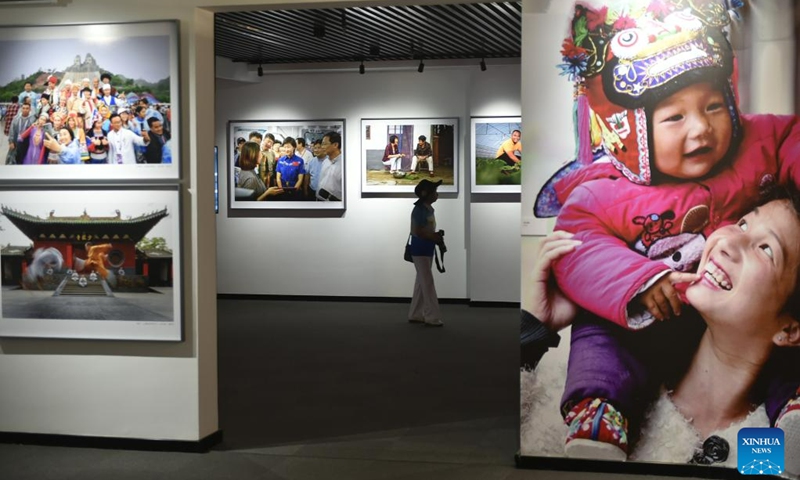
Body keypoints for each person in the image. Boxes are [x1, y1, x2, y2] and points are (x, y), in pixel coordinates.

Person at [532, 0, 800, 462]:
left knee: (781, 371)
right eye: (674, 117)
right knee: (601, 337)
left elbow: (788, 136)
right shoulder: (606, 192)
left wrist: (766, 457)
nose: (701, 127)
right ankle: (599, 418)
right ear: (631, 132)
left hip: (733, 348)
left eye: (715, 106)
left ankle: (795, 415)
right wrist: (635, 281)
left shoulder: (757, 145)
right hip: (638, 315)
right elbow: (579, 240)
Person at [523, 189, 800, 469]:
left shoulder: (782, 442)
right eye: (742, 223)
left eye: (766, 249)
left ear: (790, 330)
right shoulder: (590, 394)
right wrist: (532, 331)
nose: (727, 240)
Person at [408, 179, 445, 327]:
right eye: (434, 192)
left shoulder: (427, 208)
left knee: (421, 282)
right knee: (427, 283)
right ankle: (432, 317)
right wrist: (434, 237)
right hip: (420, 249)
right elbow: (418, 231)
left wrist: (434, 236)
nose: (436, 194)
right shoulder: (420, 210)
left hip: (426, 249)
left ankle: (416, 314)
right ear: (426, 194)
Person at [316, 131, 342, 202]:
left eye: (324, 144)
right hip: (320, 200)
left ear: (335, 145)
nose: (322, 147)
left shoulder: (344, 164)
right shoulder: (325, 161)